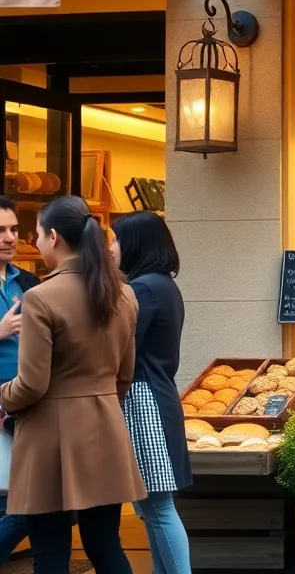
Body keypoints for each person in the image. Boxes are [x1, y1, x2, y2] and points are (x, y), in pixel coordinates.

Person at [0, 196, 145, 573]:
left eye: (35, 234)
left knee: (50, 553)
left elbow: (31, 383)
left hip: (48, 436)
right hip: (105, 427)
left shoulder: (40, 297)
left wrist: (3, 397)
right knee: (106, 545)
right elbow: (124, 374)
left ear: (53, 237)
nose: (31, 240)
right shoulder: (124, 293)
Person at [111, 212, 193, 574]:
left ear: (134, 244)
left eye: (115, 239)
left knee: (158, 508)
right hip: (158, 395)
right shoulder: (163, 284)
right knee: (152, 509)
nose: (111, 247)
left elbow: (121, 349)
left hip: (143, 400)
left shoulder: (143, 288)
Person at [0, 197, 35, 563]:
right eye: (0, 231)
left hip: (24, 404)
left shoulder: (27, 281)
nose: (10, 238)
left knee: (27, 498)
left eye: (14, 229)